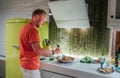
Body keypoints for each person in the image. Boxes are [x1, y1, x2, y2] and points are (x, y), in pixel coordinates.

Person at [19, 9, 60, 78]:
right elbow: (38, 51)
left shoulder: (25, 27)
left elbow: (31, 47)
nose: (43, 23)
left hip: (24, 64)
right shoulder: (32, 30)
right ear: (37, 16)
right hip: (31, 67)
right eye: (43, 20)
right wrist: (54, 52)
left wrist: (45, 50)